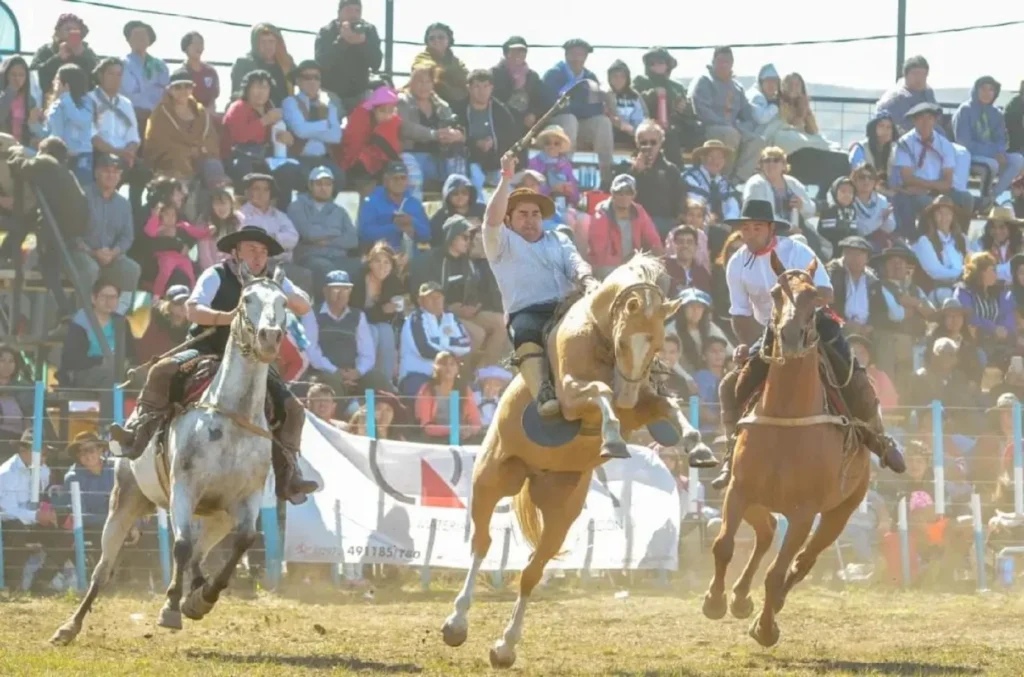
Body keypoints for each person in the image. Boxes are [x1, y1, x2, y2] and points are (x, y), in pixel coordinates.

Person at [109, 226, 317, 504]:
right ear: (236, 252)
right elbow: (192, 309)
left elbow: (304, 306)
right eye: (252, 250)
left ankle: (289, 474)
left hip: (251, 360)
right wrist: (228, 318)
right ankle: (136, 437)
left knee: (293, 409)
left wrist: (278, 292)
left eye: (264, 251)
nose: (259, 257)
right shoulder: (216, 274)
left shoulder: (273, 280)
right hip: (206, 349)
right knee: (162, 371)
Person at [712, 198, 905, 490]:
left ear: (770, 229)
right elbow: (739, 313)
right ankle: (731, 455)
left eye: (756, 228)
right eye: (745, 229)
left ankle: (879, 438)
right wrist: (752, 345)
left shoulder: (796, 250)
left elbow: (826, 291)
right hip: (769, 333)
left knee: (850, 369)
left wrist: (800, 308)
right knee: (730, 386)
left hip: (810, 321)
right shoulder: (737, 263)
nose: (749, 234)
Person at [481, 153, 596, 419]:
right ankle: (543, 392)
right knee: (525, 331)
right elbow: (490, 219)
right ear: (509, 219)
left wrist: (587, 279)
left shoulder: (559, 238)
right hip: (528, 312)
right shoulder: (501, 243)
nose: (531, 219)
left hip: (568, 309)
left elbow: (575, 262)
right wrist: (506, 177)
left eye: (535, 214)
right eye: (523, 214)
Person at [409, 215, 509, 367]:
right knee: (477, 334)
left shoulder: (468, 262)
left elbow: (477, 291)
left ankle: (484, 374)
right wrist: (449, 309)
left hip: (465, 314)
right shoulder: (430, 261)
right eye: (464, 237)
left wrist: (475, 306)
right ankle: (459, 376)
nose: (468, 241)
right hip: (441, 316)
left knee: (502, 323)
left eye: (470, 238)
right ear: (451, 236)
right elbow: (423, 296)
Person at [892, 102, 974, 238]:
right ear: (914, 121)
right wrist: (932, 187)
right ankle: (925, 239)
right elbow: (907, 178)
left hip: (937, 189)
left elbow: (948, 180)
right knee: (927, 203)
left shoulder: (944, 144)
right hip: (915, 193)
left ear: (934, 120)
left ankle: (960, 238)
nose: (925, 122)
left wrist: (931, 188)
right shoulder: (905, 143)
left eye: (929, 118)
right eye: (920, 118)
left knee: (966, 198)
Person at [306, 270, 394, 396]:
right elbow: (312, 351)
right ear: (325, 291)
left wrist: (358, 372)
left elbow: (367, 352)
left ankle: (370, 415)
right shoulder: (312, 314)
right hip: (324, 373)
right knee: (331, 382)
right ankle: (339, 412)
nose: (341, 294)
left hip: (352, 373)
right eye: (336, 289)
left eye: (345, 289)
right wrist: (335, 372)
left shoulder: (358, 316)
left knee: (377, 380)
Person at [73, 153, 141, 314]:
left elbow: (127, 236)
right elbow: (72, 233)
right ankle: (83, 318)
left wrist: (113, 252)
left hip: (111, 256)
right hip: (83, 253)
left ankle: (121, 316)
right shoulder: (81, 196)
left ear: (120, 175)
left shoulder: (123, 204)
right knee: (89, 270)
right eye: (106, 171)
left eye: (115, 171)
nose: (111, 175)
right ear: (96, 172)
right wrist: (92, 252)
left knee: (132, 269)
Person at [543, 39, 615, 184]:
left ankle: (607, 178)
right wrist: (581, 106)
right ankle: (562, 174)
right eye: (574, 54)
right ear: (566, 55)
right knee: (570, 119)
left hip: (580, 124)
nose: (578, 58)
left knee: (603, 122)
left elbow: (597, 108)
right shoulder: (553, 75)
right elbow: (552, 105)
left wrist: (575, 106)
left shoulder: (590, 78)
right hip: (555, 124)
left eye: (582, 54)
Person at [689, 46, 765, 181]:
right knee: (730, 134)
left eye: (727, 61)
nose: (724, 64)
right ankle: (723, 178)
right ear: (713, 62)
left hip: (733, 128)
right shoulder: (704, 81)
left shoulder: (737, 87)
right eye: (720, 61)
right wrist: (726, 124)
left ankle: (737, 181)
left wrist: (743, 127)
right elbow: (701, 110)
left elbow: (747, 114)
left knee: (757, 141)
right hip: (709, 127)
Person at [397, 63, 467, 198]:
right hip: (411, 155)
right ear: (411, 82)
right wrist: (433, 134)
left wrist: (457, 135)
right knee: (413, 176)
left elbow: (453, 125)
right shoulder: (402, 101)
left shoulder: (442, 105)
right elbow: (405, 128)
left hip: (438, 157)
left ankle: (459, 203)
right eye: (419, 81)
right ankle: (413, 213)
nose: (424, 86)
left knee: (459, 158)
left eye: (427, 81)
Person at [288, 166, 360, 290]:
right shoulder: (297, 207)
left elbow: (353, 240)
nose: (323, 188)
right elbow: (309, 233)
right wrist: (336, 232)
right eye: (319, 184)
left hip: (339, 257)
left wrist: (327, 240)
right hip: (310, 257)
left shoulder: (340, 211)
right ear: (310, 186)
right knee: (326, 270)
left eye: (328, 184)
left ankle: (352, 308)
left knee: (360, 267)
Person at [953, 76, 1024, 200]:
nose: (987, 93)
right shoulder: (965, 110)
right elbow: (964, 142)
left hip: (994, 154)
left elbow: (1002, 138)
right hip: (970, 155)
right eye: (983, 89)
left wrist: (1000, 151)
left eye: (991, 90)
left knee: (1018, 160)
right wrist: (993, 153)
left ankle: (992, 197)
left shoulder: (996, 113)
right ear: (976, 90)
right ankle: (982, 197)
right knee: (992, 164)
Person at [57, 278, 133, 393]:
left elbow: (131, 353)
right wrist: (100, 361)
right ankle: (110, 411)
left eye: (113, 297)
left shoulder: (121, 323)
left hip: (118, 370)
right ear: (93, 298)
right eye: (104, 297)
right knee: (111, 376)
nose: (109, 302)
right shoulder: (80, 322)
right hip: (86, 372)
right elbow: (71, 359)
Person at [398, 281, 473, 395]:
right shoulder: (414, 319)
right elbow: (424, 349)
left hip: (446, 376)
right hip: (416, 375)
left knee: (465, 393)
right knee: (422, 398)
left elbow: (466, 345)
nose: (436, 300)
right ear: (420, 301)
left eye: (439, 296)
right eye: (430, 297)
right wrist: (452, 348)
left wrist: (442, 342)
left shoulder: (451, 318)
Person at [633, 46, 702, 164]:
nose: (657, 65)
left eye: (661, 62)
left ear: (667, 65)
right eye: (652, 63)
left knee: (699, 131)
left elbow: (691, 112)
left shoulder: (677, 86)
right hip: (648, 125)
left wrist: (685, 108)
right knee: (669, 135)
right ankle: (676, 172)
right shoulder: (640, 81)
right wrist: (653, 94)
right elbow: (634, 101)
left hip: (675, 124)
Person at [455, 70, 518, 197]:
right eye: (477, 86)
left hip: (496, 162)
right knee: (474, 181)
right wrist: (476, 143)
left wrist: (494, 143)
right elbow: (457, 136)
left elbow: (511, 137)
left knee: (509, 191)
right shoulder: (459, 110)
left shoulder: (501, 111)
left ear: (491, 88)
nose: (482, 91)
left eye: (486, 86)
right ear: (469, 88)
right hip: (470, 160)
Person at [587, 174, 663, 278]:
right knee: (610, 273)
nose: (624, 197)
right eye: (619, 193)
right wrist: (624, 269)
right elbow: (600, 252)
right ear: (612, 194)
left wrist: (659, 261)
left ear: (634, 195)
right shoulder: (601, 214)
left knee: (663, 277)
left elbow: (654, 240)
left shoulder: (639, 211)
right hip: (607, 265)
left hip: (634, 264)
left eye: (628, 193)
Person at [281, 60, 344, 181]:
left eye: (316, 77)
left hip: (324, 159)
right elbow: (300, 131)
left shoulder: (329, 105)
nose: (312, 81)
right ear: (298, 81)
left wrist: (309, 129)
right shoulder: (290, 102)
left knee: (340, 178)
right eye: (307, 77)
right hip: (299, 159)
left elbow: (336, 136)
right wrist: (326, 125)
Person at [314, 0, 383, 111]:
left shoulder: (369, 30)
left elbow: (376, 64)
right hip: (331, 91)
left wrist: (363, 43)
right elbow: (321, 64)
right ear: (339, 12)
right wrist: (342, 41)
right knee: (327, 111)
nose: (354, 15)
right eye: (349, 10)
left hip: (360, 92)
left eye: (357, 11)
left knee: (375, 111)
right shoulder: (326, 32)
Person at [357, 161, 430, 250]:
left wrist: (412, 222)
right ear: (385, 181)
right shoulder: (372, 202)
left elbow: (427, 235)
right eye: (395, 178)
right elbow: (364, 234)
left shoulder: (414, 203)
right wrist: (396, 228)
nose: (399, 182)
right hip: (381, 257)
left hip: (411, 257)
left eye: (403, 178)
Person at [142, 200, 209, 297]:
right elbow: (149, 232)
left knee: (190, 275)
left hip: (182, 257)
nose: (170, 218)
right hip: (166, 256)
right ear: (161, 215)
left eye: (173, 215)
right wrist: (155, 216)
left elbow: (195, 232)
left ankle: (194, 297)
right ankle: (156, 296)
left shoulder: (181, 225)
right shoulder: (160, 228)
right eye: (167, 215)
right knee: (165, 273)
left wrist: (207, 231)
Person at [414, 351, 482, 443]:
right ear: (436, 367)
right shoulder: (428, 389)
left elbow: (475, 421)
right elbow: (426, 426)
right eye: (444, 364)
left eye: (452, 364)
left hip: (461, 438)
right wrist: (451, 430)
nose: (448, 368)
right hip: (434, 440)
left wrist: (470, 431)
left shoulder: (464, 389)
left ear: (457, 368)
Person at [42, 63, 93, 183]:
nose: (53, 83)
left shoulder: (87, 102)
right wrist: (34, 124)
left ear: (66, 83)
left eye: (57, 80)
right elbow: (52, 131)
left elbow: (81, 121)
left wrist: (66, 97)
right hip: (59, 156)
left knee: (81, 190)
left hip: (81, 156)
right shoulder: (56, 104)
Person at [490, 36, 552, 134]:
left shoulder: (532, 76)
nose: (518, 55)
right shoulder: (494, 74)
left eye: (522, 51)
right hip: (502, 121)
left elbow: (541, 101)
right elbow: (492, 100)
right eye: (514, 51)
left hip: (528, 122)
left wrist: (533, 114)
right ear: (506, 53)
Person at [29, 14, 98, 100]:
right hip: (50, 102)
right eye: (68, 29)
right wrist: (57, 59)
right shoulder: (46, 50)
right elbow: (33, 75)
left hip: (83, 105)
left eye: (76, 30)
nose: (71, 33)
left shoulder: (87, 52)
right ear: (58, 31)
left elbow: (100, 77)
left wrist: (82, 56)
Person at [121, 20, 169, 138]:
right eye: (136, 36)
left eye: (143, 36)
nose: (140, 39)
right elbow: (129, 92)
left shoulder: (160, 65)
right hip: (130, 118)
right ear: (128, 40)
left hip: (158, 118)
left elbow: (167, 90)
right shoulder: (122, 64)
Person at [230, 23, 295, 107]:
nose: (267, 46)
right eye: (263, 42)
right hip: (256, 114)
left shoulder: (286, 63)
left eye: (271, 42)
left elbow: (304, 81)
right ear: (255, 44)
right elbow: (237, 95)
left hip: (286, 113)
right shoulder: (244, 64)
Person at [683, 139, 741, 228]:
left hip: (721, 227)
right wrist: (708, 220)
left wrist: (729, 223)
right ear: (702, 157)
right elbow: (696, 203)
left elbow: (732, 206)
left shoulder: (725, 183)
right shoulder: (691, 177)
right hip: (696, 224)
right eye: (711, 156)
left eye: (720, 157)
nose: (715, 161)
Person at [411, 23, 468, 107]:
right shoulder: (422, 58)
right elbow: (423, 70)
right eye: (432, 38)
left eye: (441, 37)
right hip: (430, 102)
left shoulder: (456, 62)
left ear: (449, 40)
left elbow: (467, 79)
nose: (436, 41)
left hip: (457, 103)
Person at [135, 284, 190, 364]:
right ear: (168, 305)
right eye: (178, 302)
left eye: (186, 301)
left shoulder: (194, 323)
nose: (183, 306)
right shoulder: (156, 320)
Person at [0, 56, 44, 147]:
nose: (17, 79)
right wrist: (10, 92)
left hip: (22, 148)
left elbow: (32, 129)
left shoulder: (30, 100)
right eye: (13, 74)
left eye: (21, 75)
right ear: (5, 75)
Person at [605, 60, 647, 147]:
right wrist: (625, 126)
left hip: (636, 132)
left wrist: (637, 130)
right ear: (609, 78)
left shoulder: (635, 95)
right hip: (616, 131)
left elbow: (643, 116)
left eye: (622, 76)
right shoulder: (606, 95)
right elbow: (610, 116)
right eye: (615, 76)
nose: (618, 80)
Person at [180, 32, 219, 111]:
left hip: (208, 115)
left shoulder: (210, 71)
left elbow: (213, 98)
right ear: (186, 47)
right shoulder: (181, 74)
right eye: (195, 43)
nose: (199, 47)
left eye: (201, 43)